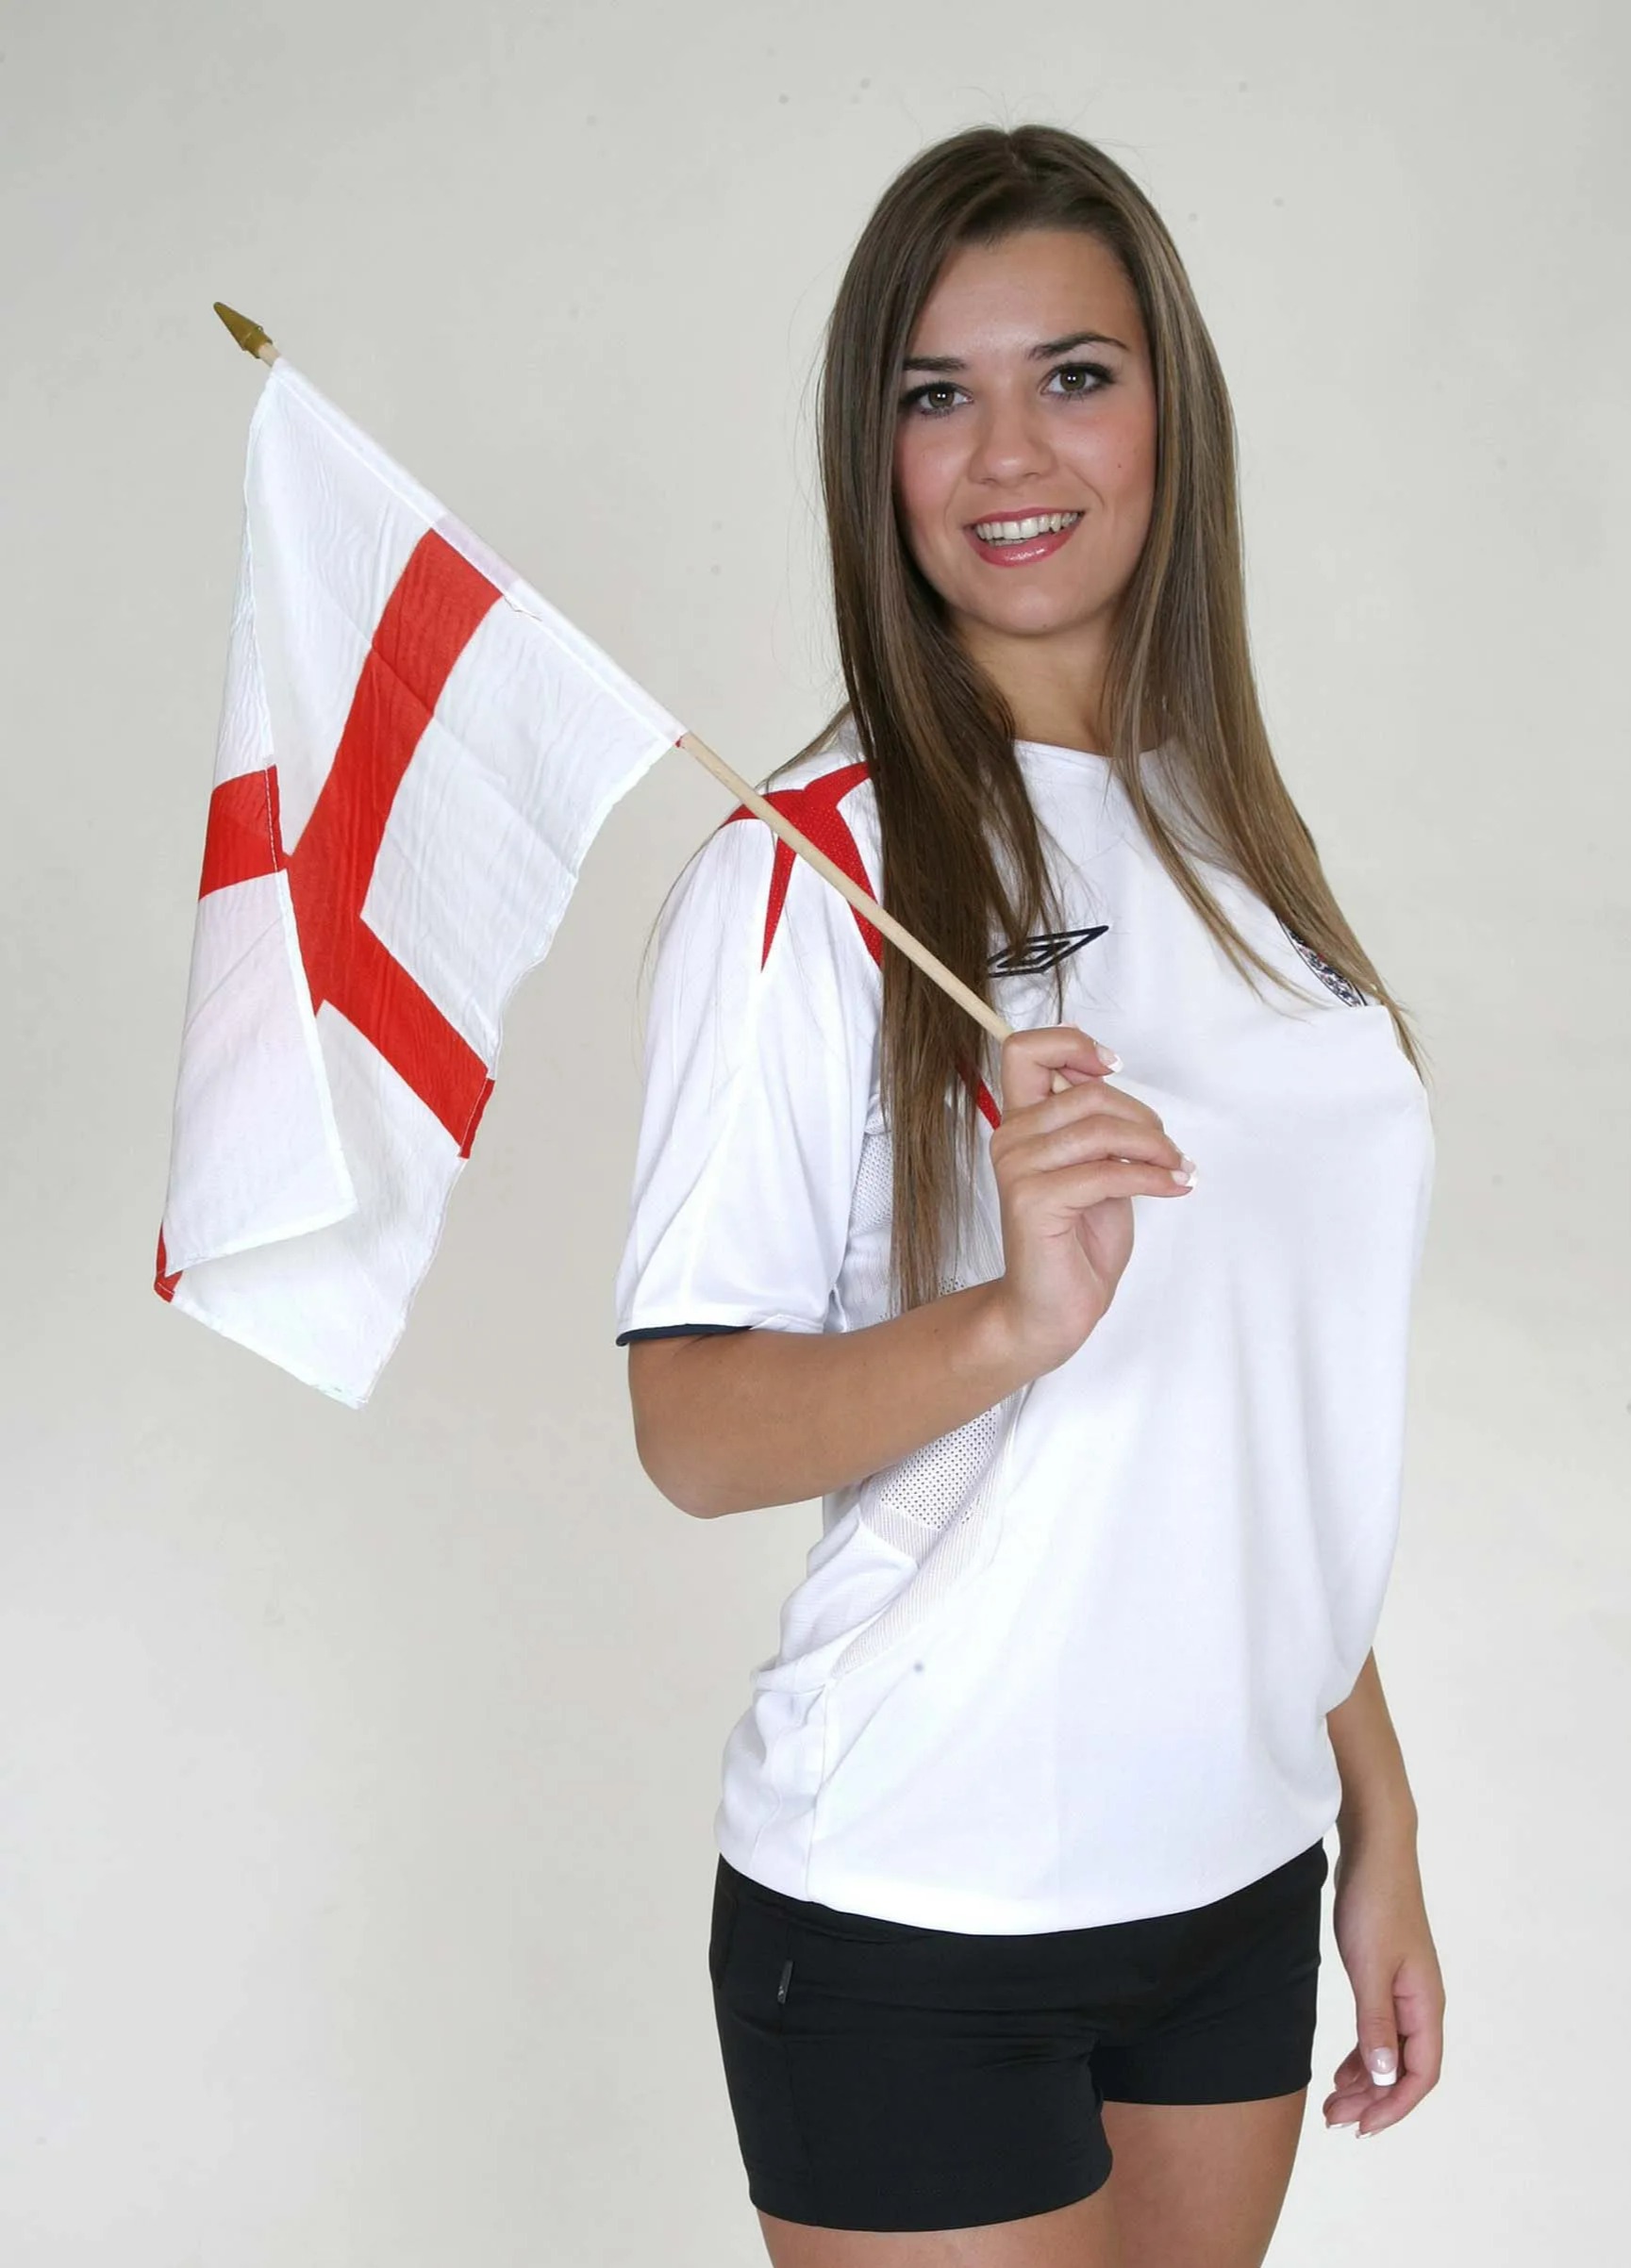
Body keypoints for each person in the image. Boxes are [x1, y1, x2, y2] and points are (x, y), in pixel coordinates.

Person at [612, 124, 1445, 2268]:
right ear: (872, 454)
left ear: (1168, 409)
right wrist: (1006, 1323)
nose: (1008, 450)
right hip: (924, 1899)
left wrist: (1376, 1809)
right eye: (933, 390)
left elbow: (1262, 1397)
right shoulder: (807, 875)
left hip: (1236, 1875)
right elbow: (691, 1429)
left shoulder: (1236, 846)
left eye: (1072, 373)